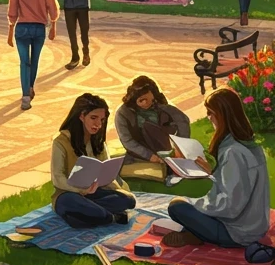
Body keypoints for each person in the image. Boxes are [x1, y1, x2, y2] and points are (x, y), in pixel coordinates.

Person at [164, 88, 270, 251]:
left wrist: (196, 204)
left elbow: (230, 206)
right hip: (255, 225)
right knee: (187, 206)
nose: (209, 118)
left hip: (238, 232)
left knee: (177, 206)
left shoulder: (232, 152)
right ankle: (194, 234)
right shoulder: (250, 145)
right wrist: (212, 173)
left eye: (210, 113)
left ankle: (195, 234)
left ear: (223, 115)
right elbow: (237, 186)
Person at [51, 93, 136, 229]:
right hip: (69, 194)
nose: (98, 124)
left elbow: (107, 173)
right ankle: (109, 217)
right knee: (71, 202)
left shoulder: (98, 142)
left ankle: (84, 217)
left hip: (95, 193)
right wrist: (79, 190)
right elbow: (57, 178)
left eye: (101, 120)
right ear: (81, 116)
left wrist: (120, 191)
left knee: (129, 200)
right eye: (93, 118)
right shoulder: (61, 142)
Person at [114, 75, 191, 183]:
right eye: (142, 100)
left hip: (164, 146)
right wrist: (149, 156)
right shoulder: (123, 113)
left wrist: (182, 146)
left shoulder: (159, 105)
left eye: (149, 100)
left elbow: (183, 120)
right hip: (140, 152)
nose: (146, 104)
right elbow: (127, 141)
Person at [7, 0, 59, 111]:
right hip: (39, 28)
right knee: (34, 60)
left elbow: (12, 12)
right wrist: (54, 25)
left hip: (22, 28)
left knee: (24, 62)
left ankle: (25, 96)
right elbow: (53, 7)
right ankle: (29, 88)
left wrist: (10, 31)